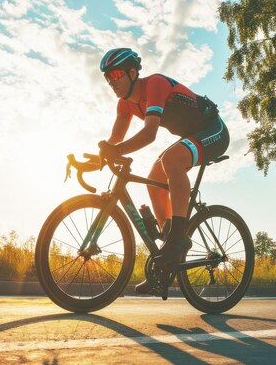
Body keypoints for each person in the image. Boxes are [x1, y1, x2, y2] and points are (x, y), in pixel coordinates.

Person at [97, 47, 230, 294]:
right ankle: (169, 258)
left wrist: (116, 151)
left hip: (214, 131)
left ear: (133, 72)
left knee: (171, 160)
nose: (111, 82)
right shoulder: (124, 105)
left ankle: (177, 238)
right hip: (192, 136)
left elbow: (149, 134)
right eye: (107, 78)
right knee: (152, 180)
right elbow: (115, 140)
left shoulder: (154, 84)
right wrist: (98, 157)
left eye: (115, 75)